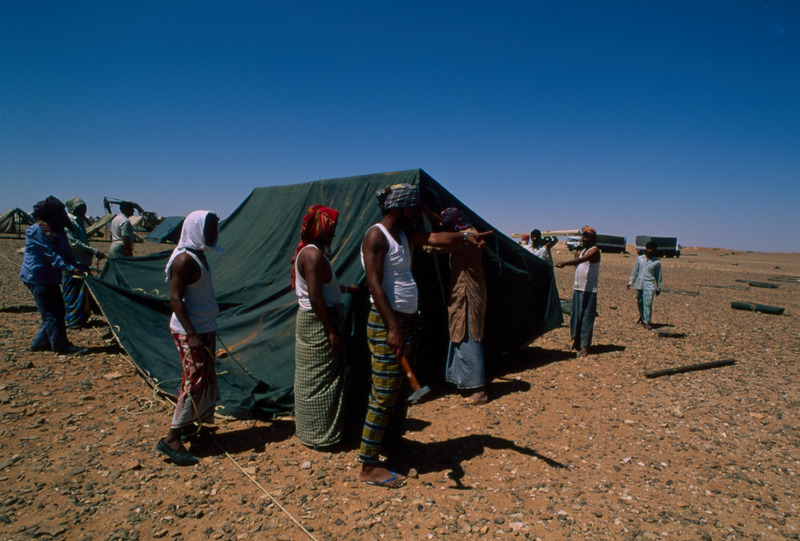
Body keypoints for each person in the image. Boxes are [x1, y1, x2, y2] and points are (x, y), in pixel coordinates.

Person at [358, 184, 491, 488]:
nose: (417, 214)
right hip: (387, 323)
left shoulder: (403, 236)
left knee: (400, 390)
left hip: (405, 323)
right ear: (399, 208)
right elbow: (374, 284)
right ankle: (368, 464)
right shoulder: (376, 235)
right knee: (383, 395)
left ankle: (392, 445)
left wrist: (464, 237)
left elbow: (434, 238)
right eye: (414, 208)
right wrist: (393, 327)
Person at [156, 210, 222, 466]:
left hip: (204, 328)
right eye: (209, 229)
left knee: (206, 377)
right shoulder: (184, 260)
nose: (214, 234)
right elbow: (175, 299)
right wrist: (192, 333)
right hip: (191, 331)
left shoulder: (199, 255)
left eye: (215, 228)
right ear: (196, 229)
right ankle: (171, 439)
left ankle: (192, 426)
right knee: (194, 380)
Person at [292, 204, 358, 449]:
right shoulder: (313, 255)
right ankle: (320, 436)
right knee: (321, 380)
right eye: (329, 229)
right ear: (319, 230)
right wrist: (331, 330)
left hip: (313, 320)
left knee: (312, 377)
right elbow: (315, 295)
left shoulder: (308, 252)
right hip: (319, 322)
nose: (333, 234)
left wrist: (344, 288)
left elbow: (320, 286)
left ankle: (312, 431)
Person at [19, 196, 89, 355]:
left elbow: (67, 252)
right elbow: (51, 255)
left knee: (56, 311)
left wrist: (76, 265)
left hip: (50, 276)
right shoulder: (36, 230)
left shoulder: (58, 229)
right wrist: (70, 268)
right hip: (37, 277)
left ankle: (40, 343)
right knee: (52, 313)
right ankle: (61, 347)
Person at [439, 208, 489, 405]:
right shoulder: (467, 235)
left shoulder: (467, 239)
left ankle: (479, 390)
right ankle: (465, 382)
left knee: (469, 336)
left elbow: (436, 245)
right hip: (463, 295)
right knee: (461, 334)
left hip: (468, 296)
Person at [556, 226, 600, 357]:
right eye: (584, 237)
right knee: (575, 316)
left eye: (588, 237)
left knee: (586, 317)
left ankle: (585, 346)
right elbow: (580, 263)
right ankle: (575, 342)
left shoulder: (594, 250)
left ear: (593, 239)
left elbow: (582, 260)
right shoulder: (583, 251)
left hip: (588, 290)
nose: (585, 239)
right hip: (578, 287)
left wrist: (565, 263)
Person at [63, 198, 105, 328]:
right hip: (73, 261)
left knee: (81, 291)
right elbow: (74, 243)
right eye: (80, 208)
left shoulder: (79, 221)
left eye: (84, 208)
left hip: (81, 260)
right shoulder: (69, 221)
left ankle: (80, 317)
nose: (83, 210)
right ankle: (72, 319)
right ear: (73, 208)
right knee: (73, 291)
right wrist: (94, 251)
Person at [627, 241, 662, 330]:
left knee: (648, 303)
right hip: (640, 284)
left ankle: (647, 322)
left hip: (650, 286)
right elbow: (635, 271)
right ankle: (642, 317)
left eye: (652, 249)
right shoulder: (640, 259)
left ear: (655, 250)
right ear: (646, 249)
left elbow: (658, 276)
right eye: (649, 249)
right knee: (640, 302)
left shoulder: (656, 262)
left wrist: (658, 287)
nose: (650, 251)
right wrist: (630, 282)